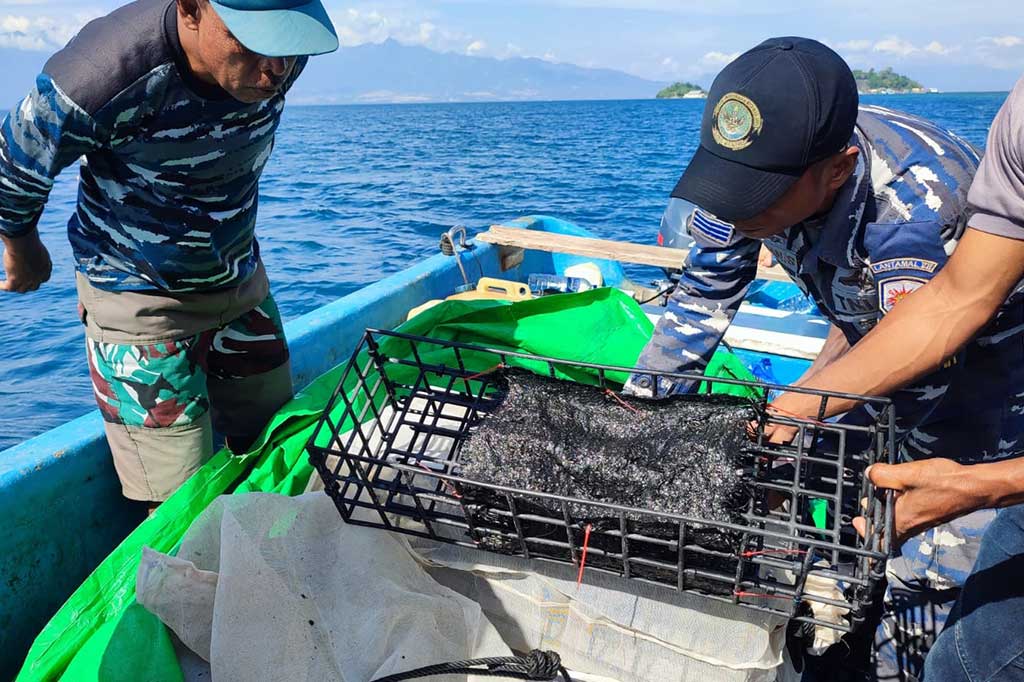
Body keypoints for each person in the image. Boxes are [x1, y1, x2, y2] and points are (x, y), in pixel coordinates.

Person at [626, 37, 1023, 679]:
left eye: (758, 198)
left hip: (982, 396)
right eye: (728, 188)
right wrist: (641, 420)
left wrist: (810, 408)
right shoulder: (751, 181)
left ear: (836, 171)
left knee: (926, 576)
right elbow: (700, 299)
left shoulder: (919, 213)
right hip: (878, 337)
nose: (737, 210)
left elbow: (924, 352)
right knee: (822, 508)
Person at [0, 0, 338, 504]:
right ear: (191, 9)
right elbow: (14, 162)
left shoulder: (279, 56)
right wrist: (22, 245)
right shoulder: (101, 76)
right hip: (139, 302)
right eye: (255, 42)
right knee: (176, 507)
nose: (277, 70)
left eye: (289, 44)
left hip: (241, 283)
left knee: (277, 449)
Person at [768, 78, 1024, 681]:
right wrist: (789, 414)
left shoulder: (912, 212)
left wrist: (987, 485)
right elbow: (950, 302)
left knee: (964, 662)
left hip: (997, 424)